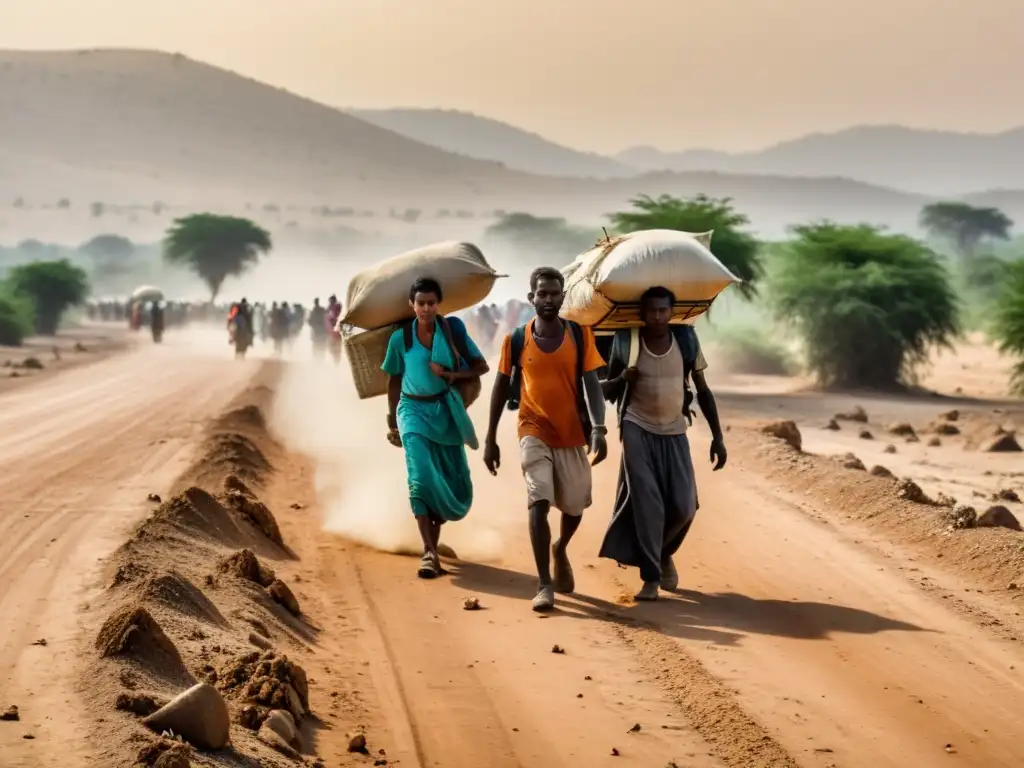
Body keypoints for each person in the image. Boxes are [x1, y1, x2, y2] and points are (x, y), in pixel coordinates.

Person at [483, 267, 608, 612]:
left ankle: (560, 548)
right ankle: (544, 584)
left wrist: (598, 427)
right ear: (531, 298)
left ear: (562, 297)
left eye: (554, 293)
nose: (548, 299)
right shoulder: (516, 339)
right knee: (538, 501)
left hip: (571, 432)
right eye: (542, 294)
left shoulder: (580, 335)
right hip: (532, 428)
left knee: (575, 505)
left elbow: (592, 384)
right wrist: (490, 437)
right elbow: (498, 388)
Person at [598, 286, 727, 601]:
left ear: (672, 312)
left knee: (684, 506)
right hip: (635, 426)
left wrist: (718, 437)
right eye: (651, 310)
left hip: (674, 429)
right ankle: (650, 578)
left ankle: (663, 552)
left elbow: (702, 390)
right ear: (642, 312)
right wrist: (621, 380)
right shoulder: (626, 341)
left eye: (663, 310)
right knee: (648, 504)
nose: (657, 316)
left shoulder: (686, 340)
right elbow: (605, 390)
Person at [382, 277, 489, 579]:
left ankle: (434, 542)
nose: (426, 308)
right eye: (420, 303)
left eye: (431, 303)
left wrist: (452, 375)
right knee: (420, 476)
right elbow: (393, 379)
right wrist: (392, 419)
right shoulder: (400, 338)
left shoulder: (452, 330)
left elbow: (481, 366)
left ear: (438, 304)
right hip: (411, 410)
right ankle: (429, 552)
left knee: (446, 478)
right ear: (411, 305)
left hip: (445, 410)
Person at [325, 295, 342, 363]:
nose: (331, 302)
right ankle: (336, 360)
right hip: (332, 332)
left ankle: (337, 361)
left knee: (336, 348)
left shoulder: (337, 308)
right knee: (332, 348)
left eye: (332, 301)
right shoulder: (330, 309)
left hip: (337, 332)